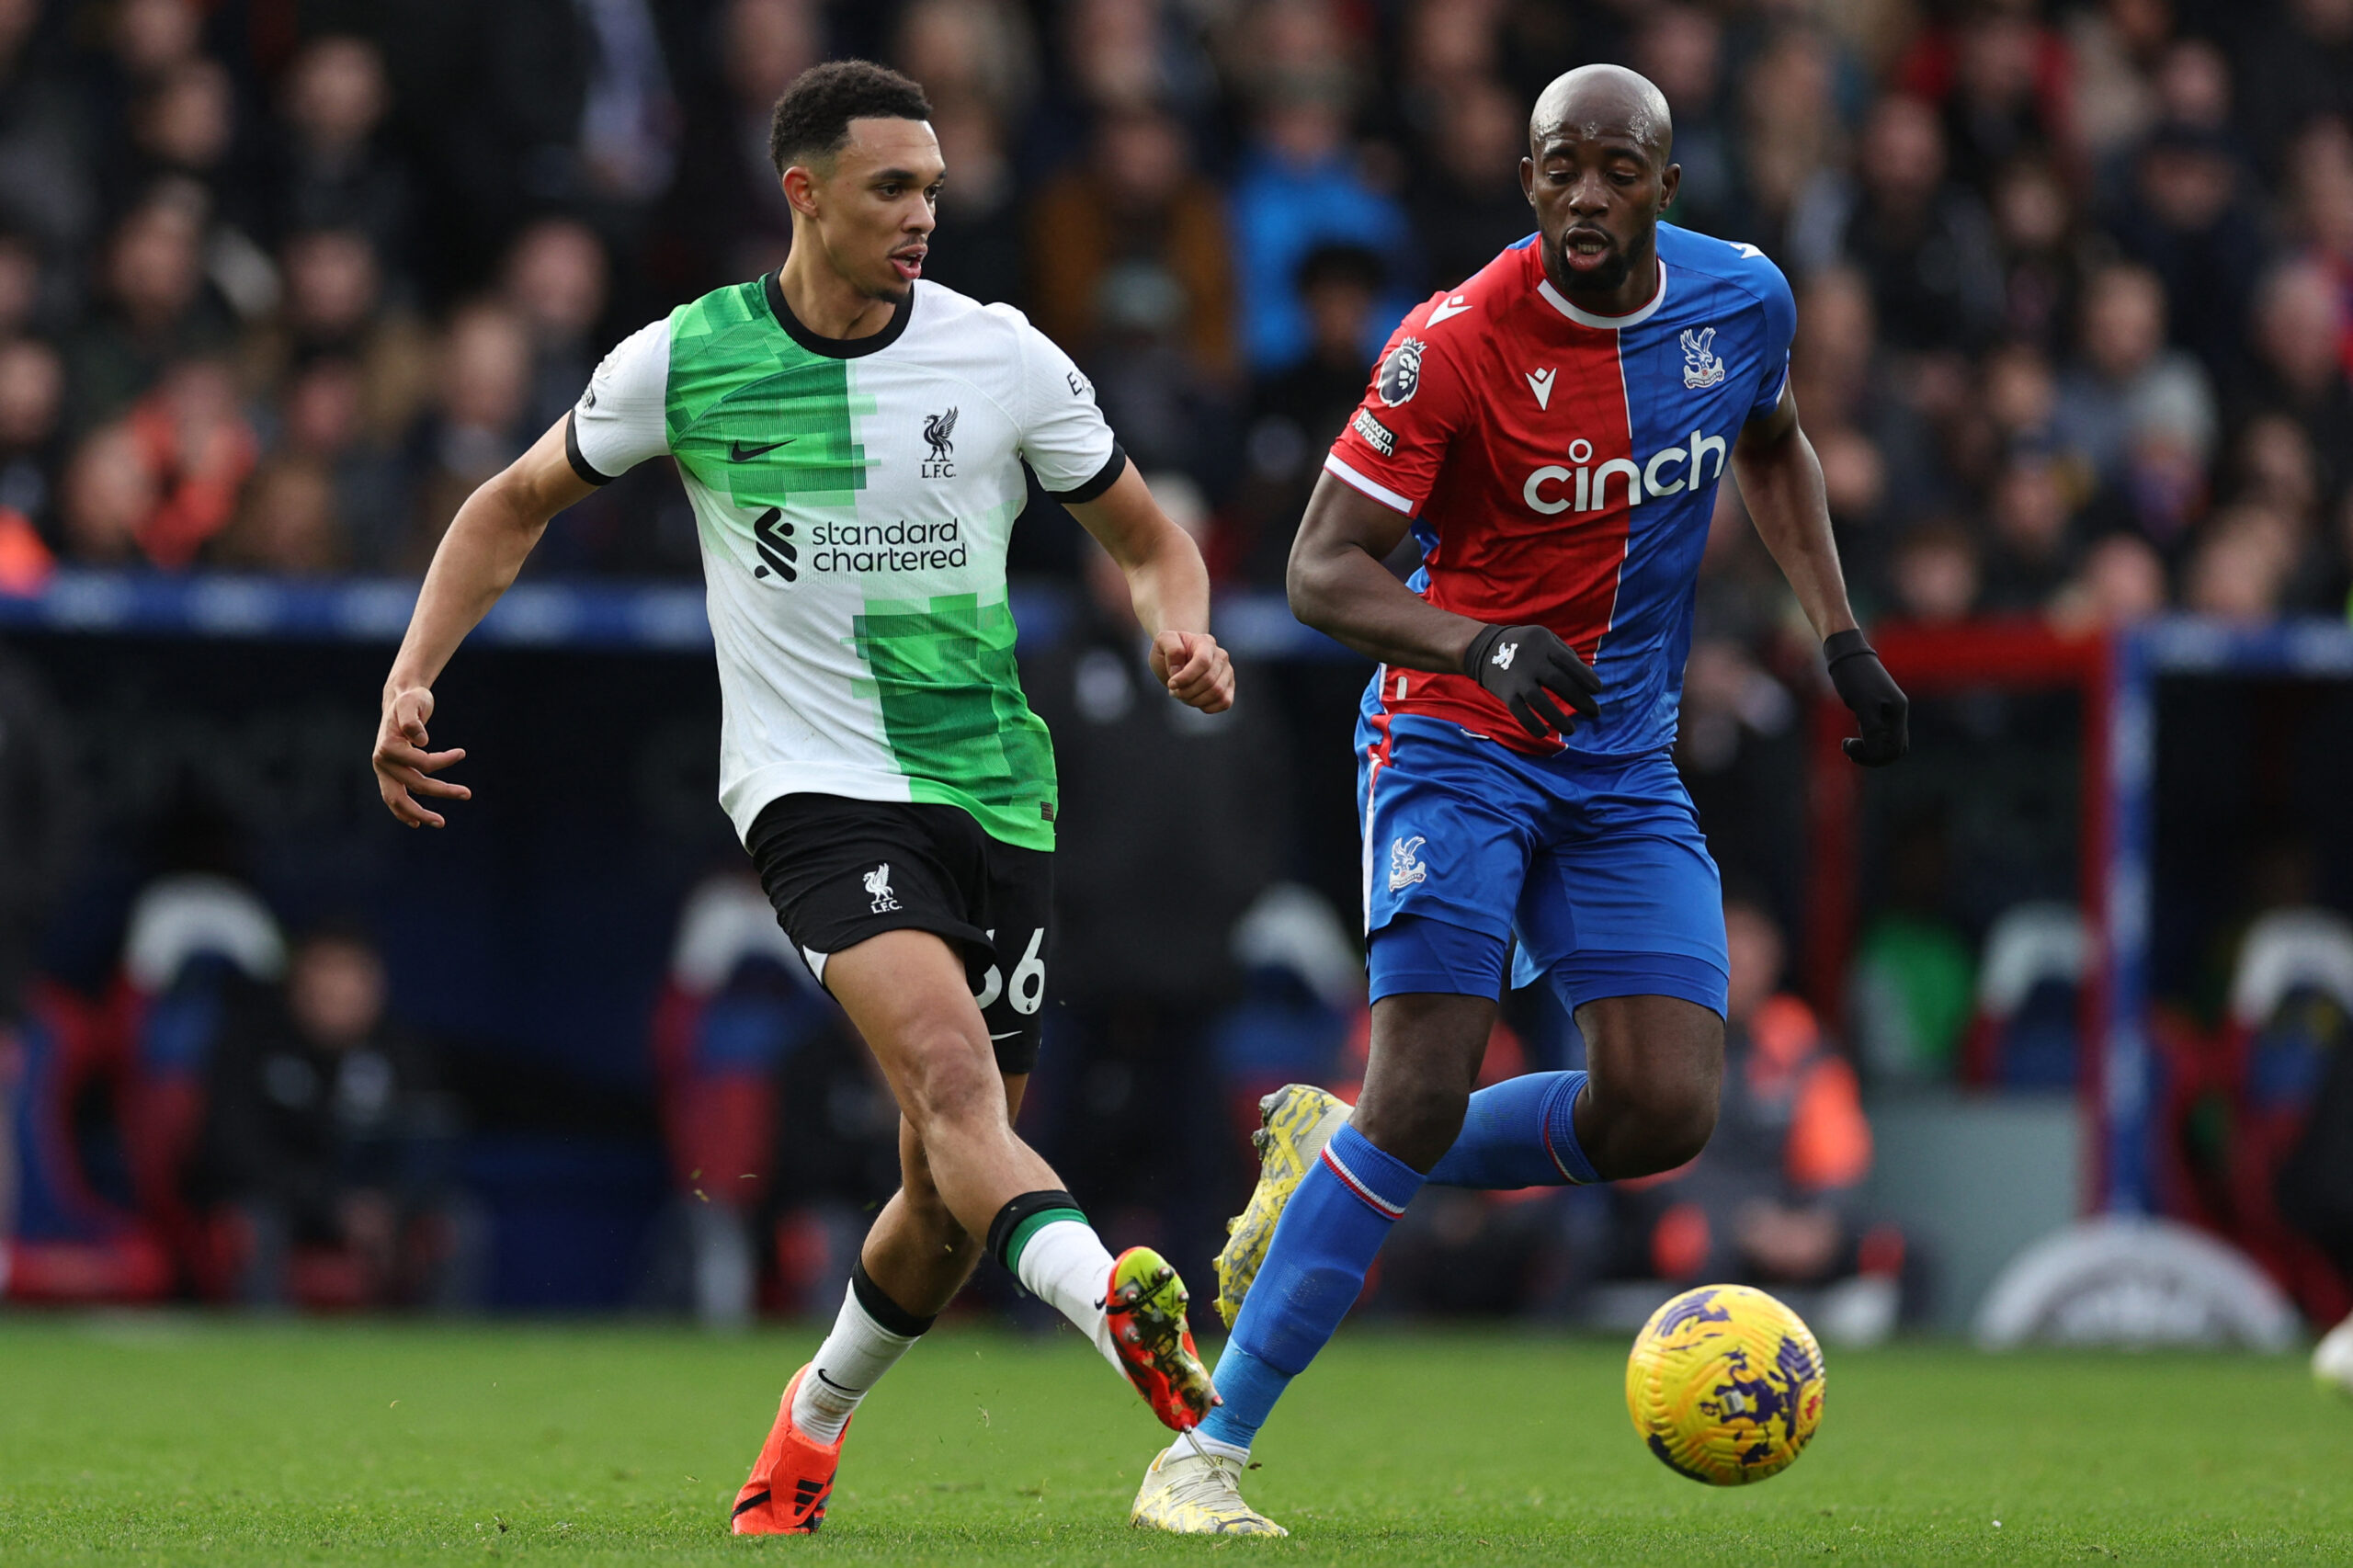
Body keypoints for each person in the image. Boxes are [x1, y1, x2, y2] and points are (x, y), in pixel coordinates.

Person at [367, 61, 1233, 1537]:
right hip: (813, 791)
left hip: (996, 798)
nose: (922, 216)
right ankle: (1123, 1314)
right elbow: (507, 505)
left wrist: (1181, 624)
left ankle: (810, 1421)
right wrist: (410, 675)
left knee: (954, 1190)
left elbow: (1150, 536)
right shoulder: (685, 359)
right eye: (893, 188)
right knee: (959, 1091)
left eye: (935, 191)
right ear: (805, 192)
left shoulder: (1003, 356)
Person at [1126, 64, 1909, 1535]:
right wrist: (1477, 639)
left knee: (1663, 1104)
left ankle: (1339, 1146)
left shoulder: (1741, 302)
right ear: (1530, 181)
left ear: (1666, 187)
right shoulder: (1457, 344)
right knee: (1422, 1079)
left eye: (1620, 169)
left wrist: (1840, 634)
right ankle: (1205, 1447)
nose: (1588, 194)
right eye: (1562, 167)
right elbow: (1318, 569)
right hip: (1455, 736)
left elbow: (1775, 442)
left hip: (1618, 762)